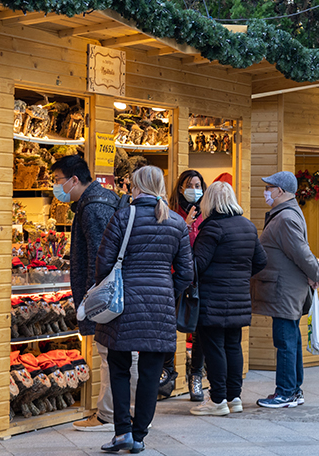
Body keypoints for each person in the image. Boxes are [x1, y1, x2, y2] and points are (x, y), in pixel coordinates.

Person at [94, 166, 193, 453]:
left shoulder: (123, 217)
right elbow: (187, 272)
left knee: (119, 367)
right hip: (160, 304)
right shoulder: (176, 222)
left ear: (136, 186)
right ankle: (139, 436)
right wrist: (167, 291)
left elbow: (104, 262)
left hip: (123, 304)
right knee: (151, 371)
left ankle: (122, 431)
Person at [50, 155, 118, 433]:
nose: (55, 187)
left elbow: (99, 257)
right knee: (110, 356)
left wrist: (92, 297)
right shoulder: (100, 200)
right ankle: (109, 411)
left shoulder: (92, 208)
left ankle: (108, 415)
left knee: (109, 356)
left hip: (103, 297)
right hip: (107, 294)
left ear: (74, 180)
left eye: (57, 180)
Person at [188, 182, 268, 416]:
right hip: (239, 298)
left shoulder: (212, 228)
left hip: (213, 299)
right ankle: (235, 397)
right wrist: (240, 275)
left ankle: (218, 399)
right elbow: (261, 261)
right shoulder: (247, 226)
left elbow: (197, 265)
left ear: (209, 202)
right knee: (233, 346)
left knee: (214, 348)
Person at [251, 171, 319, 408]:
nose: (266, 193)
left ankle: (285, 392)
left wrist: (316, 273)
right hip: (286, 287)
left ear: (280, 191)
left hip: (284, 289)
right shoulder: (286, 214)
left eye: (269, 188)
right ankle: (293, 390)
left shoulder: (284, 218)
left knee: (284, 341)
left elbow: (301, 252)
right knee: (290, 339)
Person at [167, 170, 208, 402]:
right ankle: (168, 371)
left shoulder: (207, 212)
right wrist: (185, 225)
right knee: (169, 325)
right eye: (190, 184)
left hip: (197, 278)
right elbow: (168, 243)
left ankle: (196, 375)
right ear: (181, 188)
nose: (195, 188)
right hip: (173, 277)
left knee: (198, 328)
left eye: (198, 184)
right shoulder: (171, 213)